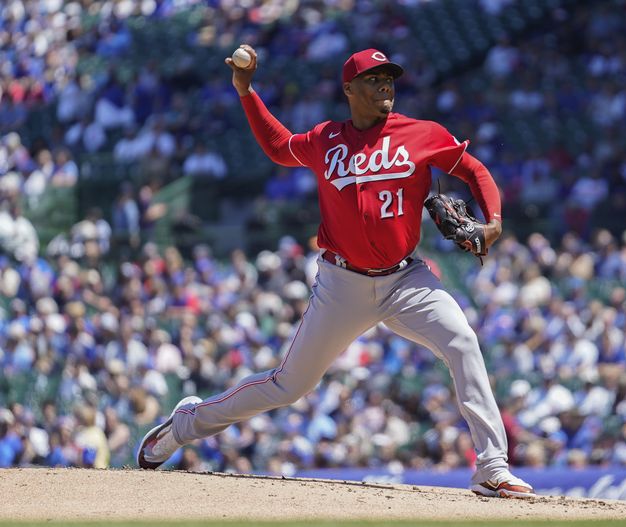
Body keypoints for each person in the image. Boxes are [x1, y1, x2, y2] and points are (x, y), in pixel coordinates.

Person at [137, 46, 534, 499]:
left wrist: (495, 220)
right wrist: (246, 91)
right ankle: (186, 424)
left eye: (389, 78)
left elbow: (474, 170)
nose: (385, 85)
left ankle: (491, 466)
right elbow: (278, 146)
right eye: (373, 78)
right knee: (290, 386)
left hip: (406, 280)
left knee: (463, 341)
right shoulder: (327, 140)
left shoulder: (421, 133)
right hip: (342, 283)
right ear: (349, 88)